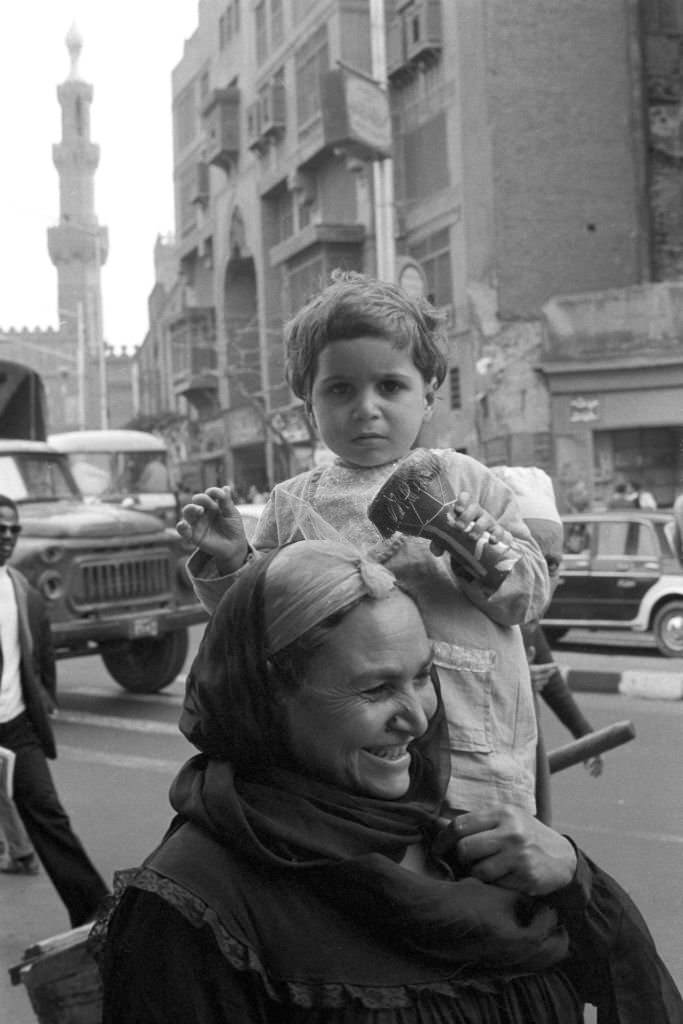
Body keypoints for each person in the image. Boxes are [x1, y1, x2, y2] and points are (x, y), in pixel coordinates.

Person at [92, 540, 682, 1023]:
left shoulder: (466, 846)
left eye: (423, 676)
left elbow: (631, 993)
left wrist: (576, 880)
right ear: (268, 699)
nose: (419, 716)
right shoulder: (195, 909)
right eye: (374, 690)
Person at [178, 271, 550, 816]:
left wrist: (478, 547)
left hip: (473, 746)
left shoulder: (467, 482)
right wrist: (233, 560)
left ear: (428, 397)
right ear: (310, 407)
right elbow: (257, 621)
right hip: (346, 753)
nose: (366, 407)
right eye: (340, 389)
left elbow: (530, 595)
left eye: (390, 386)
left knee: (476, 875)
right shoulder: (293, 502)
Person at [0, 494, 109, 926]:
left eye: (14, 530)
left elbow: (40, 650)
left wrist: (43, 696)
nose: (8, 537)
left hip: (15, 727)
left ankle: (98, 918)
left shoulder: (20, 590)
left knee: (50, 817)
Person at [491, 467, 603, 824]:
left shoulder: (526, 620)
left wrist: (585, 735)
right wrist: (513, 676)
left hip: (526, 759)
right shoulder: (457, 618)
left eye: (550, 564)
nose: (535, 577)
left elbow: (550, 677)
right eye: (522, 559)